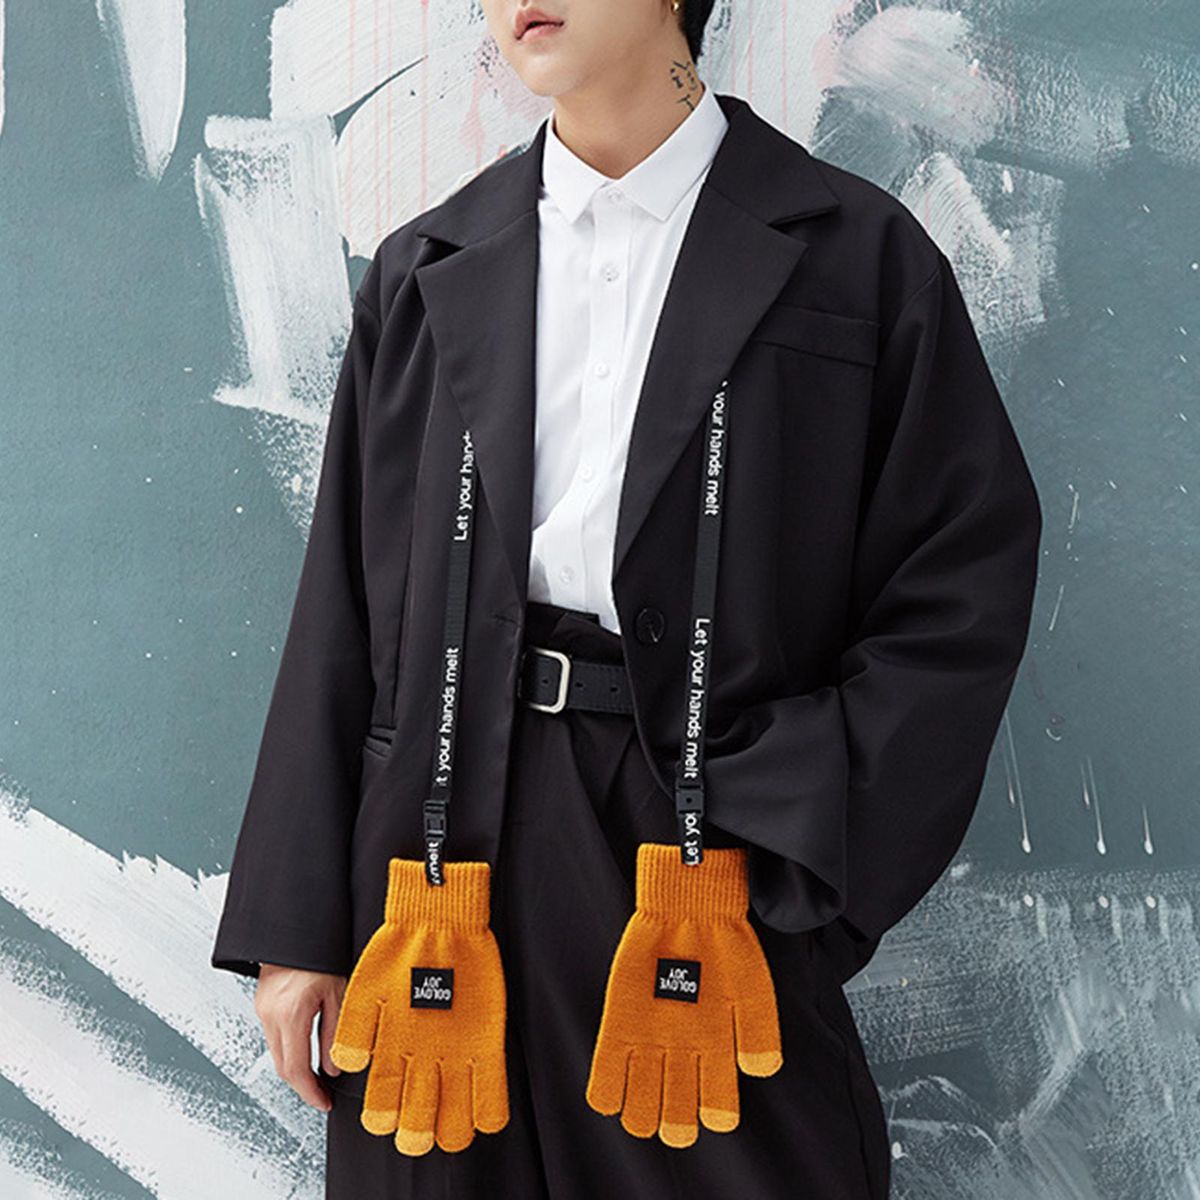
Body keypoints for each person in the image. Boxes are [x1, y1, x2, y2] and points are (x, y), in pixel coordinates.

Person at [210, 1, 1043, 1197]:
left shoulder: (859, 257)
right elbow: (342, 604)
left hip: (705, 839)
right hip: (439, 857)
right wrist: (294, 930)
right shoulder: (425, 266)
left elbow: (960, 588)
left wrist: (799, 857)